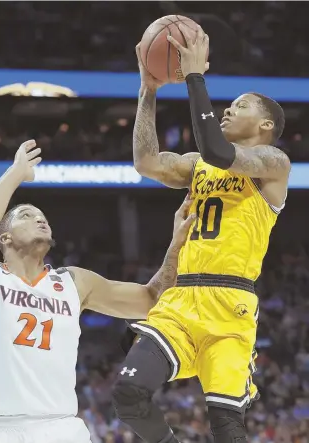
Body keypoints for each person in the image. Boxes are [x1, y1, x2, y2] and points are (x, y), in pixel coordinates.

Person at [112, 24, 290, 443]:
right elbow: (147, 162)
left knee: (226, 427)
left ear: (265, 124)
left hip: (232, 306)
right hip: (182, 299)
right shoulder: (197, 166)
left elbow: (220, 152)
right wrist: (148, 90)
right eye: (227, 105)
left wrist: (195, 76)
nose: (227, 110)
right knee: (128, 394)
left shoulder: (272, 163)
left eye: (240, 105)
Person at [0, 139, 195, 443]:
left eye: (43, 217)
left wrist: (177, 244)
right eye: (26, 215)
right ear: (5, 239)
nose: (40, 219)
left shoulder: (74, 282)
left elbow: (150, 300)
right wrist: (16, 173)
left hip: (60, 428)